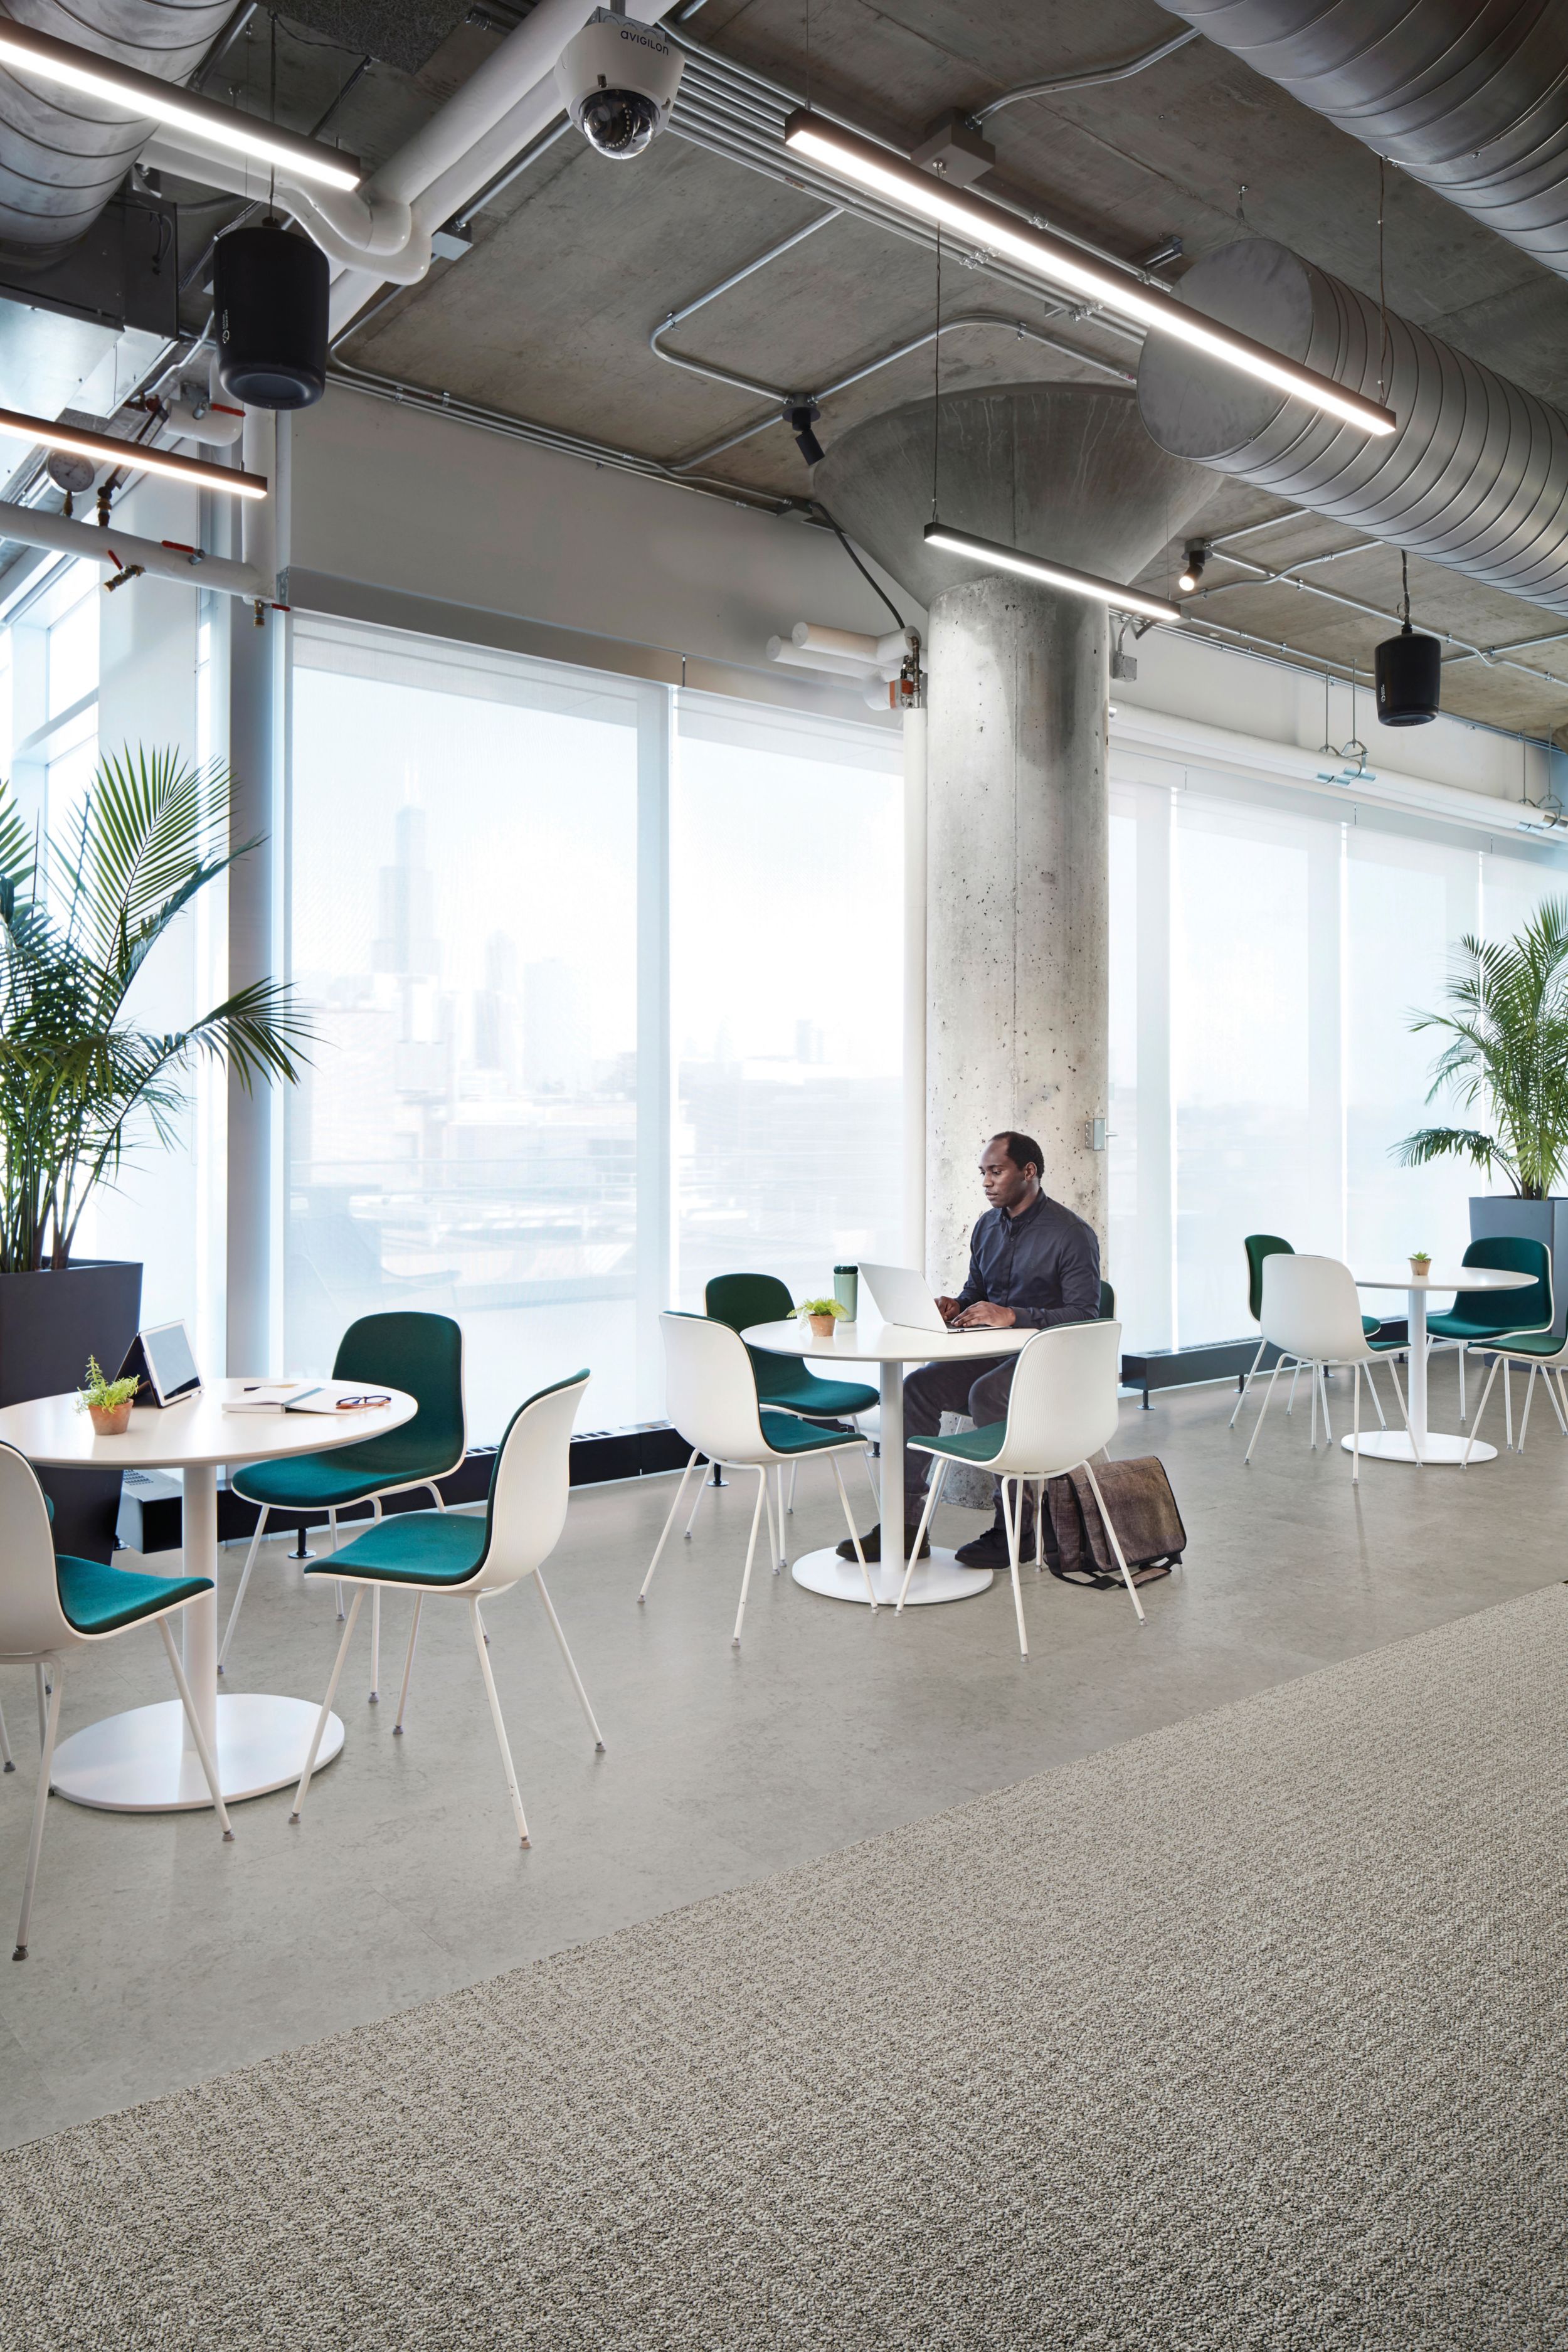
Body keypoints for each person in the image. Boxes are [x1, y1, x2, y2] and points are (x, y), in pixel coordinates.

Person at [837, 1131, 1102, 1569]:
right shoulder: (986, 1227)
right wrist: (955, 1305)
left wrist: (1013, 1315)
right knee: (918, 1387)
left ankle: (1017, 1529)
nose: (987, 1182)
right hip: (993, 1356)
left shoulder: (1072, 1235)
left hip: (1049, 1364)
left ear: (1029, 1172)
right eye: (983, 1173)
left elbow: (1085, 1315)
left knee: (988, 1394)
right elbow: (977, 1291)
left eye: (996, 1172)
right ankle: (904, 1529)